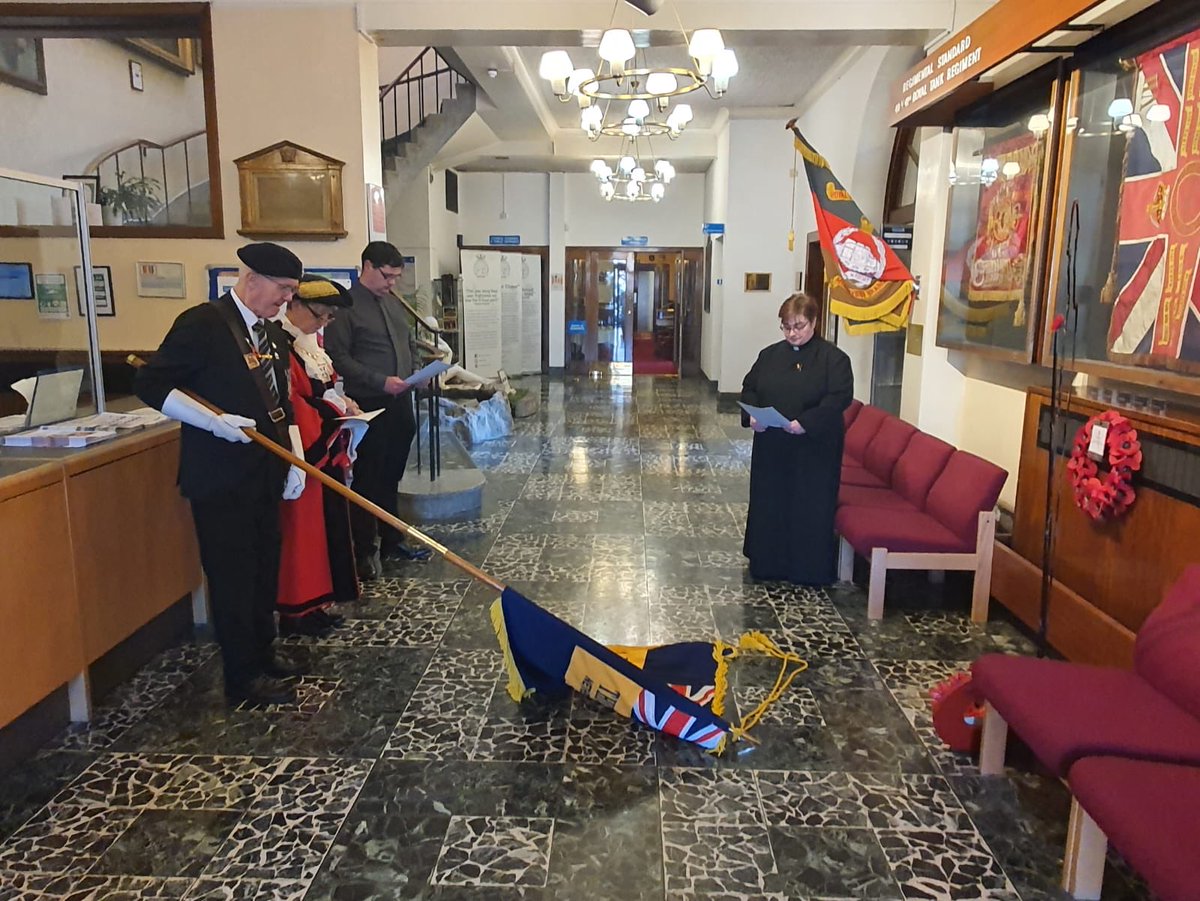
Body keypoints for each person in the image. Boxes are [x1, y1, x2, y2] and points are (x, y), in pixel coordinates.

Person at [135, 242, 307, 706]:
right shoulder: (204, 324)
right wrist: (213, 421)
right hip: (220, 478)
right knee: (233, 576)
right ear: (252, 280)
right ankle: (241, 675)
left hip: (264, 473)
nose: (286, 300)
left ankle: (263, 652)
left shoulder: (271, 332)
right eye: (283, 289)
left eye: (291, 291)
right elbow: (150, 383)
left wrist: (295, 457)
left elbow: (281, 402)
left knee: (263, 570)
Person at [324, 241, 431, 579]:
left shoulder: (392, 303)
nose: (391, 283)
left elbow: (409, 343)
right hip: (369, 404)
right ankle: (365, 550)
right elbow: (338, 357)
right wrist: (380, 381)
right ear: (367, 266)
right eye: (387, 276)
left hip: (400, 402)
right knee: (368, 478)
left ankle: (391, 539)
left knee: (391, 476)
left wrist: (416, 374)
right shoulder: (346, 307)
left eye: (396, 277)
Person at [740, 293, 853, 585]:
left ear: (814, 322)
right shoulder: (769, 355)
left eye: (799, 326)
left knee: (808, 507)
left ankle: (806, 568)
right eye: (786, 326)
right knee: (770, 503)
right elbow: (750, 387)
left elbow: (838, 398)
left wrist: (805, 423)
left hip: (813, 450)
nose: (792, 333)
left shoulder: (834, 359)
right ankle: (767, 562)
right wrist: (752, 417)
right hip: (772, 447)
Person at [275, 275, 361, 636]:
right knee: (303, 535)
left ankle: (319, 603)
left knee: (326, 529)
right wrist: (330, 417)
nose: (323, 323)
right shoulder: (280, 345)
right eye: (319, 314)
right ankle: (298, 610)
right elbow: (291, 401)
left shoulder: (311, 344)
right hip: (305, 451)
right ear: (293, 304)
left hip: (327, 448)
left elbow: (325, 389)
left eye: (329, 317)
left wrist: (344, 404)